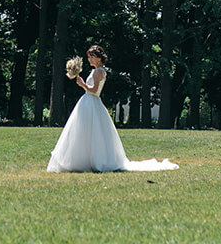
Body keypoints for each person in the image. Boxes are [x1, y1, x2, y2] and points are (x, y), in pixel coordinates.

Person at [46, 44, 178, 173]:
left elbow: (95, 90)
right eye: (89, 57)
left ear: (98, 58)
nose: (89, 59)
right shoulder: (97, 71)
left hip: (91, 101)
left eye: (91, 57)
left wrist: (82, 85)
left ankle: (86, 160)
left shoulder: (98, 71)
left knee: (87, 131)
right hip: (89, 103)